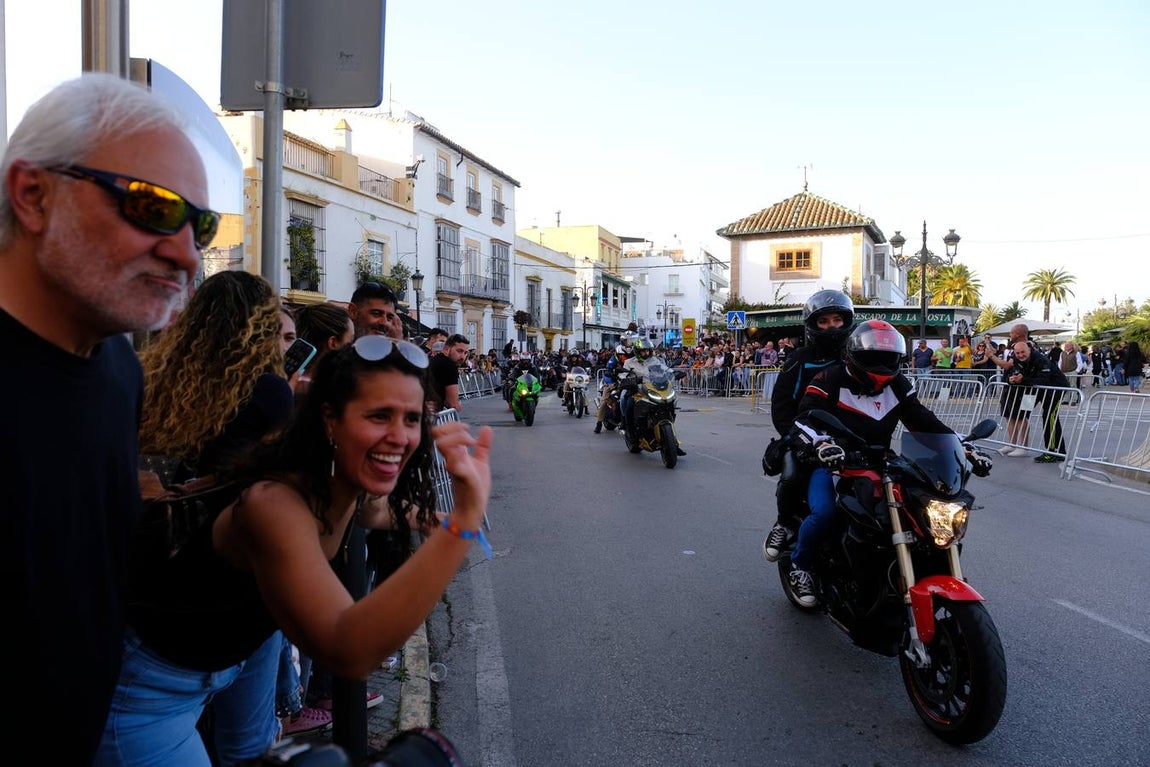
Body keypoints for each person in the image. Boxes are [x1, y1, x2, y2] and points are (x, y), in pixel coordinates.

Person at [98, 335, 493, 766]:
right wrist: (463, 522)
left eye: (412, 419)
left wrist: (438, 519)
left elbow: (379, 512)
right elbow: (350, 649)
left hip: (234, 663)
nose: (399, 437)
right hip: (145, 694)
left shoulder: (346, 485)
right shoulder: (275, 504)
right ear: (330, 420)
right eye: (379, 415)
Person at [0, 73, 214, 764]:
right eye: (151, 207)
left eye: (199, 224)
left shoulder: (118, 369)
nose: (186, 252)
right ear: (32, 195)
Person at [131, 271, 296, 763]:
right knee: (245, 743)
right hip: (236, 579)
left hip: (154, 571)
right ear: (262, 327)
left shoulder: (150, 375)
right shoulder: (269, 391)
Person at [784, 321, 992, 605]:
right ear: (854, 355)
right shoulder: (829, 379)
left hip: (882, 464)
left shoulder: (897, 384)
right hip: (833, 462)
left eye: (888, 357)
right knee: (824, 513)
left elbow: (925, 422)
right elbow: (803, 419)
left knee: (922, 512)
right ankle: (801, 567)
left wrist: (963, 447)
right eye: (873, 357)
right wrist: (822, 443)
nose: (881, 364)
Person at [762, 290, 854, 563]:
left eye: (837, 319)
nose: (832, 326)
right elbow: (781, 405)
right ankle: (784, 523)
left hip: (848, 438)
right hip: (805, 435)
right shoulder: (799, 359)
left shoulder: (856, 356)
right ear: (813, 325)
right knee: (793, 474)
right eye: (824, 321)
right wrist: (796, 436)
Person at [1002, 340, 1068, 463]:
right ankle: (1022, 446)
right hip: (1034, 388)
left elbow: (1042, 379)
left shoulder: (1041, 359)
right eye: (1018, 353)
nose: (1020, 355)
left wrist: (1023, 380)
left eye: (1023, 352)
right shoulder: (1016, 360)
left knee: (1049, 417)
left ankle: (1052, 451)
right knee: (1022, 412)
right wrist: (1011, 379)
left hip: (1054, 389)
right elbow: (1010, 375)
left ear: (1029, 350)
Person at [594, 330, 637, 433]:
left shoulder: (637, 353)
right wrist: (611, 382)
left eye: (632, 341)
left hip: (632, 380)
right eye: (628, 341)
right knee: (605, 399)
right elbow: (609, 369)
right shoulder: (618, 353)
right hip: (616, 380)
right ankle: (599, 423)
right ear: (623, 342)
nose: (630, 343)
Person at [429, 333, 470, 413]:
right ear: (447, 349)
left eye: (465, 353)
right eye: (459, 351)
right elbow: (452, 403)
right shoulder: (449, 365)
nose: (462, 357)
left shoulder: (436, 360)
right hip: (431, 414)